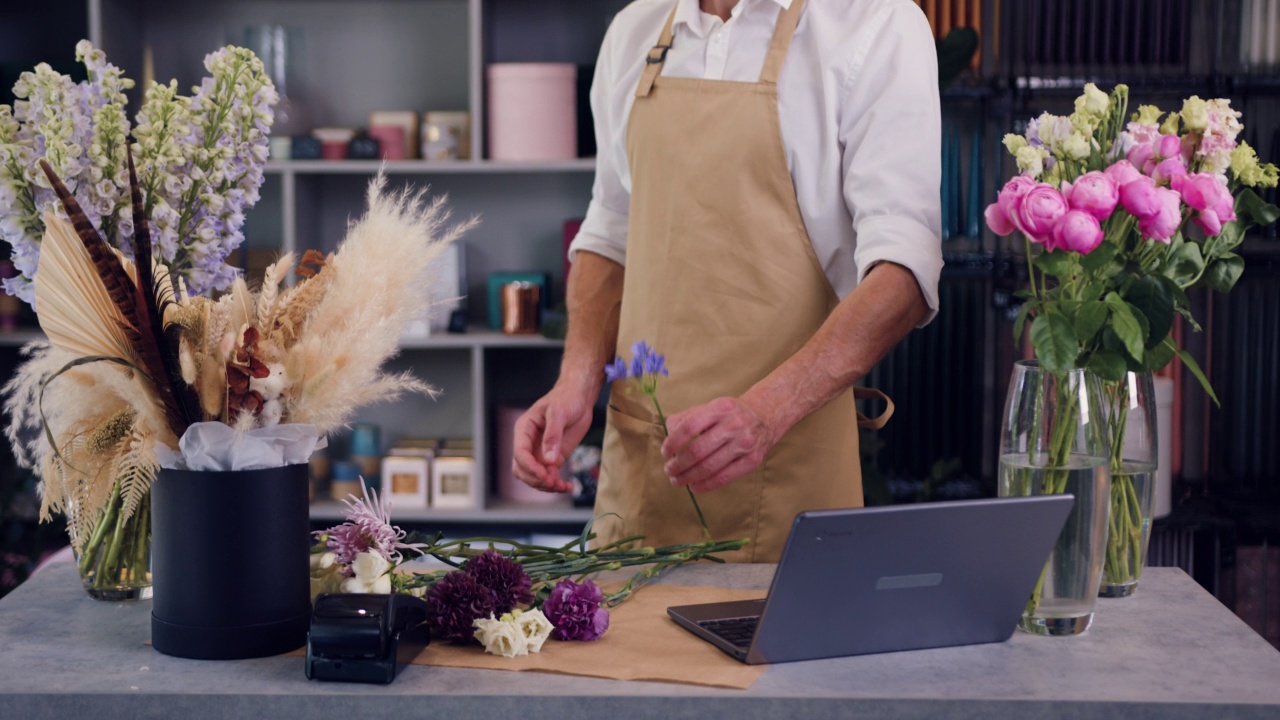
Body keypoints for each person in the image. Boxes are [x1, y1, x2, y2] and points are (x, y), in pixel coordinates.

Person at [512, 0, 943, 563]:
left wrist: (766, 413)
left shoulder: (876, 24)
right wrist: (576, 380)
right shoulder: (635, 28)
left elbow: (904, 271)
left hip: (788, 473)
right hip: (641, 473)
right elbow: (610, 231)